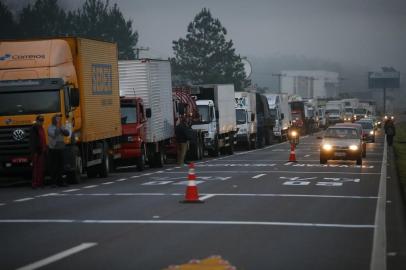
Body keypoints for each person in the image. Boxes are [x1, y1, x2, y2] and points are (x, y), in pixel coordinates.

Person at [47, 114, 70, 187]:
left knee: (62, 166)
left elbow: (67, 133)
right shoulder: (50, 127)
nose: (58, 120)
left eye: (59, 119)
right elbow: (54, 134)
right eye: (57, 119)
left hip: (61, 148)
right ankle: (54, 182)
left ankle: (62, 182)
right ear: (53, 120)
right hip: (53, 148)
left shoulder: (61, 126)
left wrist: (63, 130)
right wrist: (59, 128)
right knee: (54, 166)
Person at [29, 115, 46, 189]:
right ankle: (35, 183)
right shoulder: (34, 128)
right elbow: (34, 141)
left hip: (40, 150)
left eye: (42, 121)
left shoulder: (40, 128)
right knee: (36, 168)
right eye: (40, 121)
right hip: (36, 151)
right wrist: (37, 149)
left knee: (40, 167)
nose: (41, 122)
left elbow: (42, 139)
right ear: (37, 121)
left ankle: (40, 183)